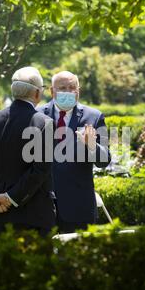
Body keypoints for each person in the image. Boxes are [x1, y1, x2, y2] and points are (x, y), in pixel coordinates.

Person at [0, 66, 56, 242]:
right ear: (37, 94)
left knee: (4, 269)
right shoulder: (44, 123)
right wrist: (10, 198)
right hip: (34, 216)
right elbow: (40, 170)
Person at [37, 71, 111, 234]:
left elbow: (105, 160)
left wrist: (92, 146)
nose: (68, 92)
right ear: (52, 91)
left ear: (79, 90)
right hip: (41, 207)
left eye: (72, 87)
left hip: (79, 207)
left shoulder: (94, 116)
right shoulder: (37, 115)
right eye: (62, 88)